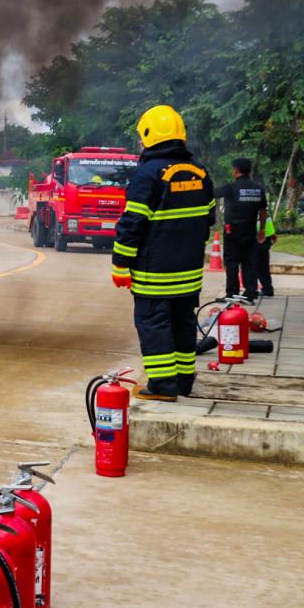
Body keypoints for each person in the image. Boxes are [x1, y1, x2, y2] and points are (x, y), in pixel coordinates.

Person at [111, 105, 215, 401]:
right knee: (183, 323)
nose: (139, 143)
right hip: (190, 272)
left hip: (155, 273)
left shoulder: (147, 175)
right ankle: (183, 381)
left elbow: (132, 223)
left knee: (154, 324)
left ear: (149, 135)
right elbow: (208, 218)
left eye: (140, 137)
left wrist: (120, 264)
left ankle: (162, 385)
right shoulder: (200, 172)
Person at [214, 158, 267, 302]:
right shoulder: (258, 188)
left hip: (232, 232)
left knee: (232, 264)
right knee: (249, 263)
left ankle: (232, 294)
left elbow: (212, 193)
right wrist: (262, 229)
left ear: (236, 170)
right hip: (250, 232)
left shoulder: (230, 187)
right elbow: (263, 210)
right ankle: (250, 293)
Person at [256, 215, 277, 297]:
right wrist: (272, 233)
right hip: (266, 234)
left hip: (259, 235)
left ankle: (265, 288)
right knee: (263, 265)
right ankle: (267, 288)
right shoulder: (262, 206)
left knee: (257, 265)